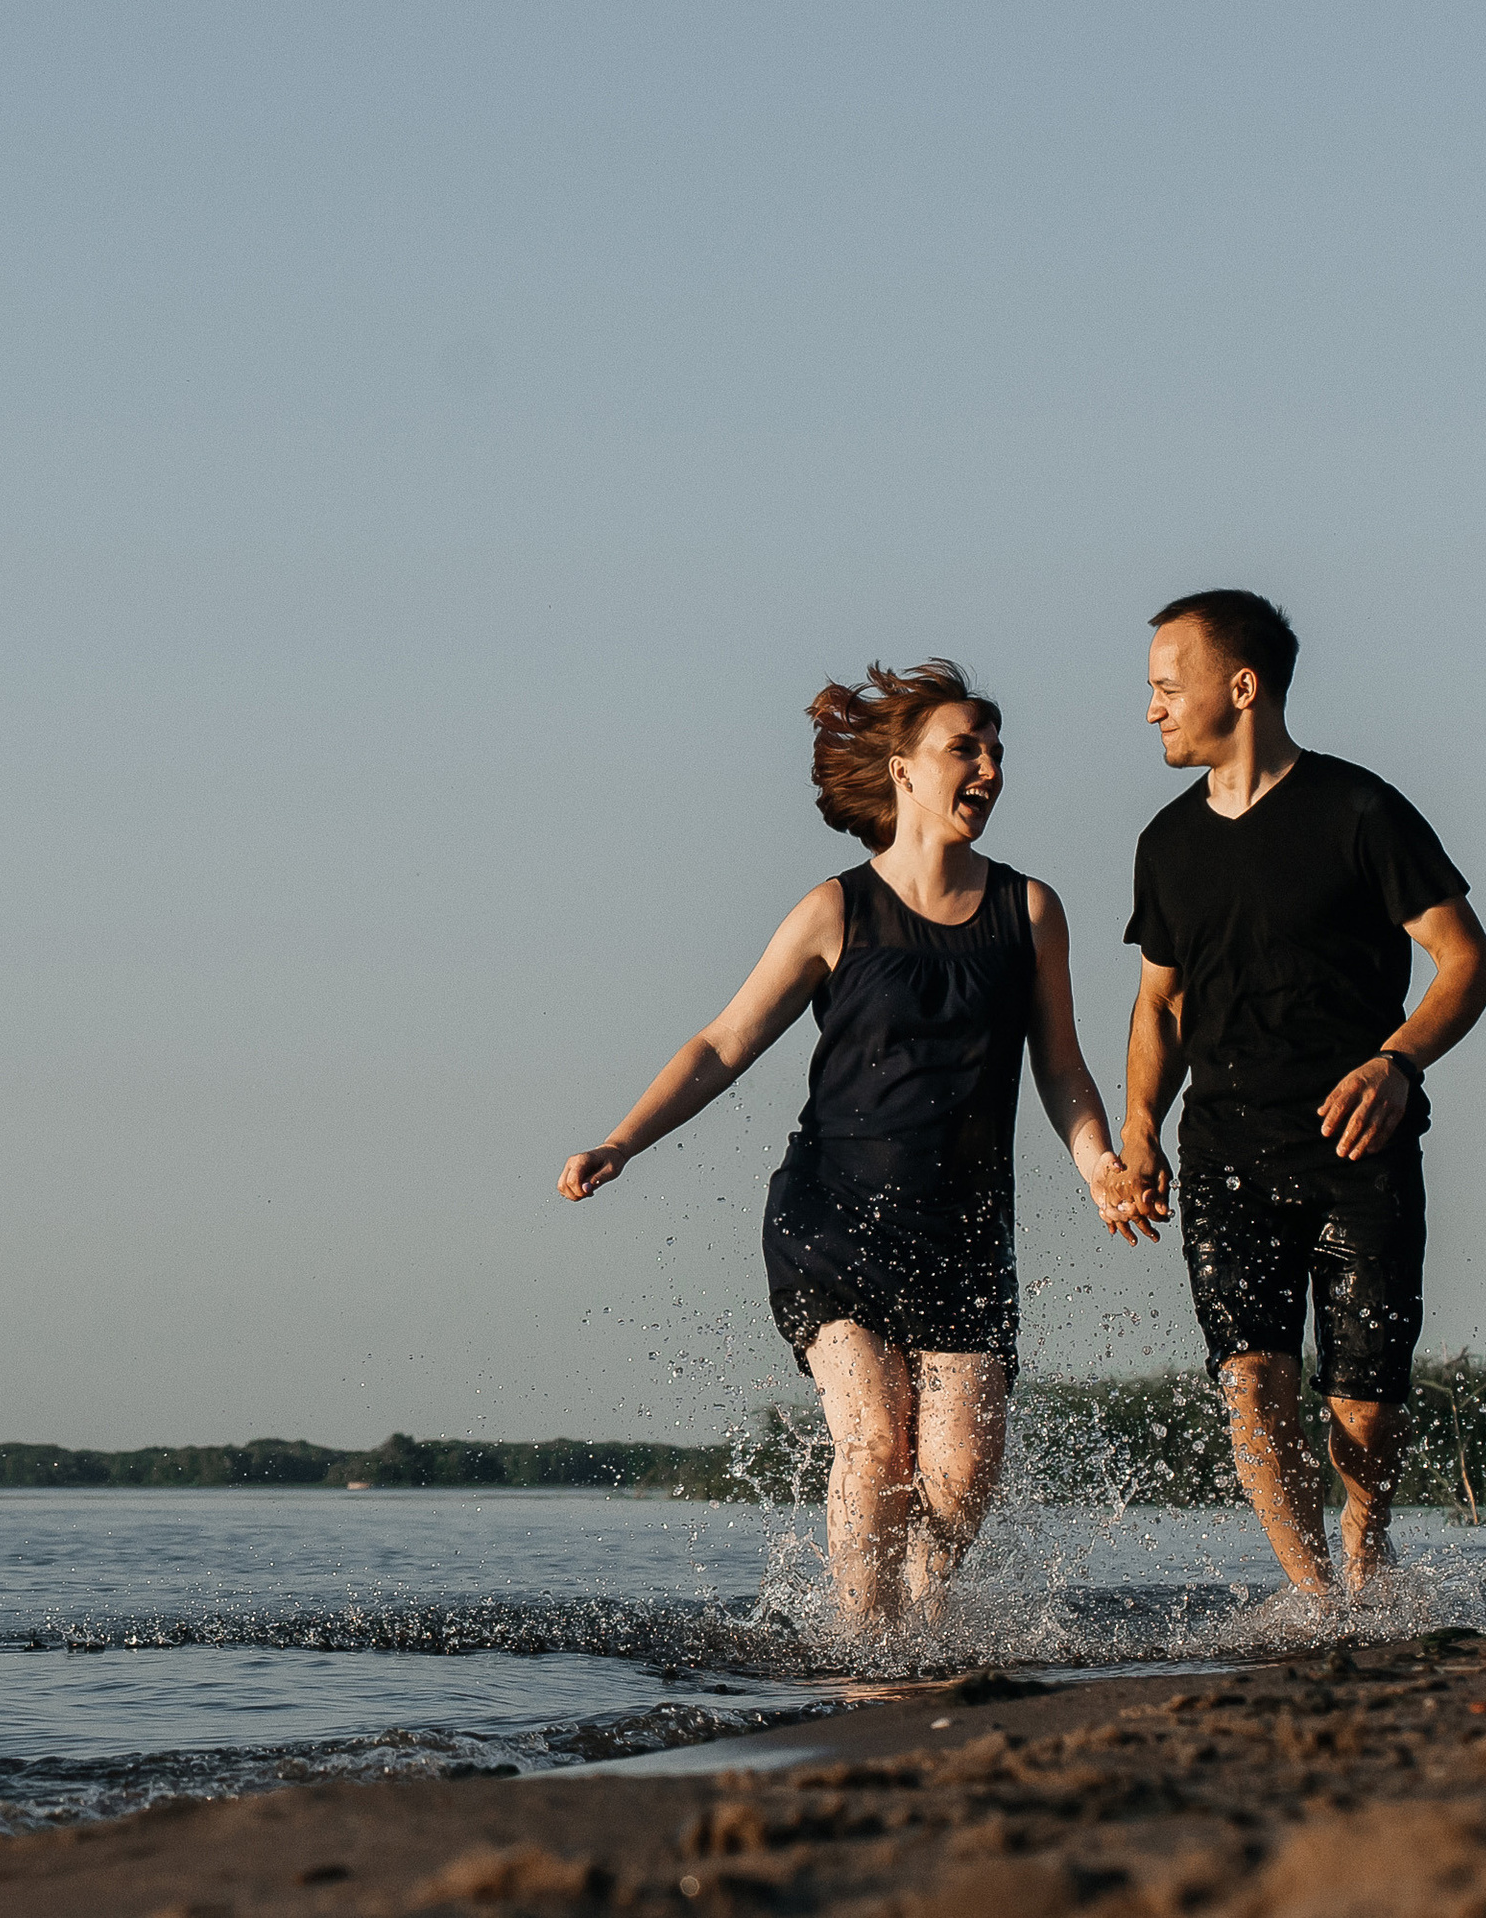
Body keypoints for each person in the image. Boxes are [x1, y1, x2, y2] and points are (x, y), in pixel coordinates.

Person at [560, 661, 1141, 1625]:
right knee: (875, 1439)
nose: (989, 767)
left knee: (956, 1481)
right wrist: (622, 1141)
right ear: (905, 770)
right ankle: (862, 1651)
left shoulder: (1029, 911)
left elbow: (1062, 1069)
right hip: (831, 1219)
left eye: (997, 751)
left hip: (963, 1231)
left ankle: (915, 1646)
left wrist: (1101, 1168)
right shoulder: (837, 911)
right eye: (967, 747)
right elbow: (722, 1042)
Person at [1120, 590, 1484, 1601]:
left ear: (1239, 687)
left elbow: (1463, 959)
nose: (1150, 708)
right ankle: (1317, 1597)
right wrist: (1140, 1125)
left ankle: (1366, 1545)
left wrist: (1397, 1063)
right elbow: (1159, 1005)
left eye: (1164, 685)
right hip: (1223, 1153)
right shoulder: (1165, 844)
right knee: (1251, 1386)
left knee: (1360, 1407)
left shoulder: (1358, 810)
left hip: (1358, 1150)